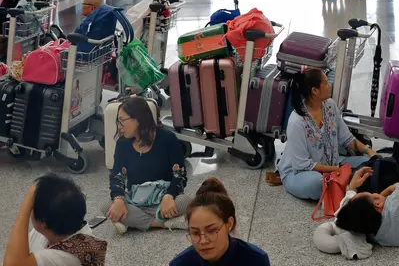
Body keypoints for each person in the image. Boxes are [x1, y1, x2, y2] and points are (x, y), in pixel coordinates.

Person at [278, 68, 376, 200]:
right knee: (318, 183)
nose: (329, 85)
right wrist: (336, 169)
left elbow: (347, 139)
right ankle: (347, 187)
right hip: (300, 173)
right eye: (325, 83)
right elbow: (303, 164)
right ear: (315, 91)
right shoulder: (297, 121)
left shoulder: (330, 105)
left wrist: (369, 152)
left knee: (370, 165)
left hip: (334, 164)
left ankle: (345, 185)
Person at [102, 96, 190, 235]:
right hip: (137, 200)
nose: (119, 126)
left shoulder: (167, 138)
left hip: (163, 199)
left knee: (186, 201)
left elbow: (180, 175)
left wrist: (169, 196)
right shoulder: (123, 144)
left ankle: (131, 223)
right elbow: (117, 176)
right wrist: (118, 199)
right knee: (107, 206)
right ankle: (164, 223)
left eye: (122, 120)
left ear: (138, 119)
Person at [4, 175, 107, 266]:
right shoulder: (56, 224)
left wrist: (25, 208)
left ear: (43, 221)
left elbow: (13, 264)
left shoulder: (70, 255)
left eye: (32, 207)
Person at [170, 178, 270, 265]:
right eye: (195, 233)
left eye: (211, 230)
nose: (203, 241)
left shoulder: (255, 260)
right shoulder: (180, 263)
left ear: (229, 224)